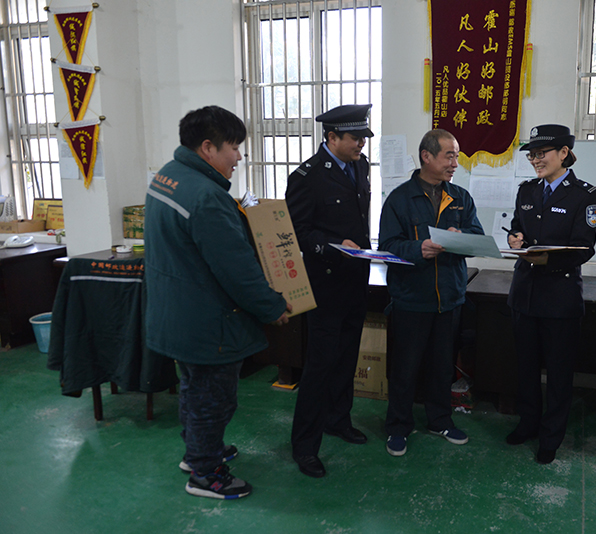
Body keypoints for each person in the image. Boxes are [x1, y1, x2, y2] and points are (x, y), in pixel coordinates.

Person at [145, 105, 292, 499]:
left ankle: (197, 451)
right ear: (208, 147)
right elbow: (237, 270)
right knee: (214, 398)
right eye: (234, 147)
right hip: (207, 322)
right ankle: (206, 473)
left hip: (177, 313)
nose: (239, 157)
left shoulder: (168, 176)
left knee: (194, 388)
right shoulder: (207, 197)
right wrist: (273, 306)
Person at [378, 129, 484, 457]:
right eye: (449, 156)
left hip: (449, 299)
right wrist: (417, 249)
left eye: (457, 156)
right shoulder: (399, 199)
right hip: (412, 298)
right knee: (405, 368)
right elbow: (388, 246)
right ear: (427, 156)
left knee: (442, 367)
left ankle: (440, 420)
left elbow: (477, 237)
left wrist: (459, 235)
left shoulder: (461, 197)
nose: (455, 163)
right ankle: (398, 426)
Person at [285, 104, 373, 478]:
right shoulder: (307, 177)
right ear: (332, 137)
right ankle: (305, 445)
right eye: (355, 138)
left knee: (347, 356)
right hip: (325, 283)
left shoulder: (360, 166)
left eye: (364, 138)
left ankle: (338, 419)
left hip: (356, 279)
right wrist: (335, 247)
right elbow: (297, 231)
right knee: (320, 365)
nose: (361, 145)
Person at [505, 124, 596, 464]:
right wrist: (515, 238)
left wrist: (548, 260)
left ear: (563, 153)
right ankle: (528, 423)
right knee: (525, 368)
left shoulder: (585, 195)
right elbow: (517, 226)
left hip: (559, 296)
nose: (535, 160)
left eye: (541, 154)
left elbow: (584, 248)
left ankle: (551, 437)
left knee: (559, 374)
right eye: (531, 155)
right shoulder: (527, 190)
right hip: (525, 294)